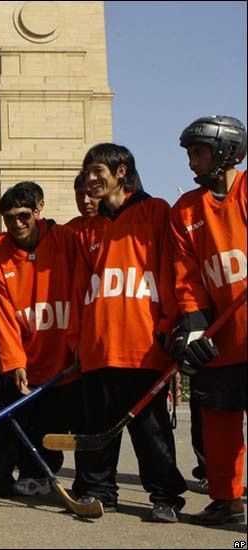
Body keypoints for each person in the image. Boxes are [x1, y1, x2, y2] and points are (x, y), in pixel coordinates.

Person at [70, 143, 187, 523]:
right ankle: (99, 491)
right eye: (86, 172)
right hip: (98, 346)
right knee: (96, 428)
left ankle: (165, 495)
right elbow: (79, 290)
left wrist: (172, 324)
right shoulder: (89, 228)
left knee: (150, 430)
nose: (90, 179)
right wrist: (78, 340)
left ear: (122, 172)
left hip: (144, 343)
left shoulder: (156, 212)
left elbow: (172, 272)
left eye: (97, 171)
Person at [171, 115, 246, 525]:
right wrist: (194, 327)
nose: (191, 163)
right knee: (217, 420)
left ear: (226, 152)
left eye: (198, 152)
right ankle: (226, 499)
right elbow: (188, 278)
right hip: (221, 334)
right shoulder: (185, 210)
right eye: (189, 154)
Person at [0, 186, 82, 498]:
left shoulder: (66, 240)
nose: (17, 224)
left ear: (39, 210)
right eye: (9, 218)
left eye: (23, 216)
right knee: (31, 420)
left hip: (68, 355)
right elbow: (3, 318)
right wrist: (14, 361)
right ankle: (34, 473)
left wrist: (82, 341)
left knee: (72, 423)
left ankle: (90, 483)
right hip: (31, 357)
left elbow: (83, 290)